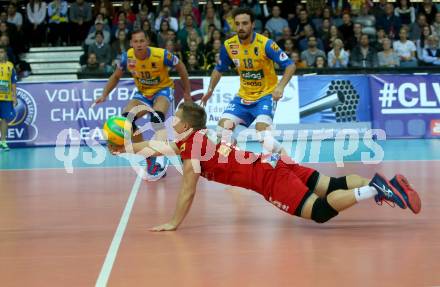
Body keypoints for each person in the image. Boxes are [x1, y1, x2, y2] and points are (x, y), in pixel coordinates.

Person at [108, 102, 422, 231]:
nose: (172, 122)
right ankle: (380, 183)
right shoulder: (196, 138)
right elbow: (153, 146)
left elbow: (189, 188)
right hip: (272, 161)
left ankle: (375, 188)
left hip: (267, 177)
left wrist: (174, 222)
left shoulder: (191, 147)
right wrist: (124, 147)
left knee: (322, 211)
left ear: (186, 125)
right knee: (332, 184)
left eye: (176, 119)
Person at [94, 30, 192, 179]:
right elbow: (115, 76)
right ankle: (149, 157)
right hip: (143, 94)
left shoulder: (162, 55)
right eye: (136, 41)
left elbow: (181, 68)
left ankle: (160, 155)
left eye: (141, 41)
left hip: (162, 91)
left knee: (156, 120)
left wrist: (187, 92)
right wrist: (104, 94)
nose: (139, 44)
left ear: (147, 42)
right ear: (131, 43)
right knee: (127, 121)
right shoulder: (127, 57)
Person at [201, 8, 296, 155]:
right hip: (243, 96)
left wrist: (280, 87)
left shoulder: (266, 44)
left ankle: (286, 159)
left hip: (266, 95)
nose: (240, 27)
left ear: (252, 24)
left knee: (263, 135)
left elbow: (290, 65)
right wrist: (210, 90)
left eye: (245, 23)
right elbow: (219, 69)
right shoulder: (229, 46)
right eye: (237, 24)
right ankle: (233, 154)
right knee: (222, 130)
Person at [0, 46, 17, 151]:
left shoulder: (10, 66)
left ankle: (3, 141)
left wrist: (14, 96)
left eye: (1, 52)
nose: (0, 54)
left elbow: (13, 82)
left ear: (5, 53)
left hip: (6, 97)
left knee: (5, 119)